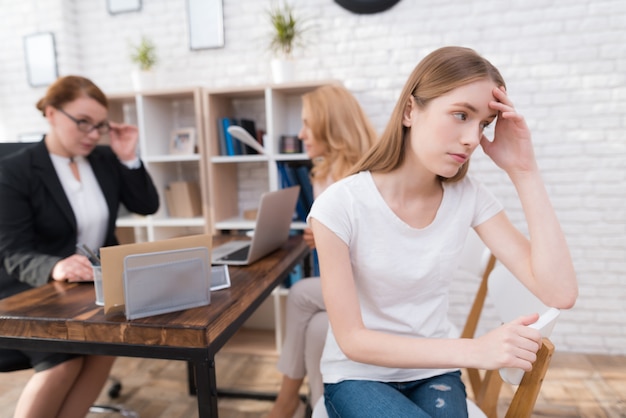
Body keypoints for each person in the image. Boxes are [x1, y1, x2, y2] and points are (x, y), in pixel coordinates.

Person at [308, 46, 578, 417]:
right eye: (461, 115)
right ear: (409, 111)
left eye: (482, 124)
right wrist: (474, 350)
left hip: (434, 372)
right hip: (358, 376)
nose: (472, 138)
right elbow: (353, 341)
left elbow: (560, 292)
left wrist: (524, 170)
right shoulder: (339, 205)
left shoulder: (468, 198)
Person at [0, 75, 159, 418]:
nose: (92, 134)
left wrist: (128, 157)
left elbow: (147, 205)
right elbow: (12, 251)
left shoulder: (103, 161)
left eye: (99, 126)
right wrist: (55, 266)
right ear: (52, 113)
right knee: (63, 363)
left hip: (89, 289)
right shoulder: (17, 171)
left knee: (106, 346)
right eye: (83, 123)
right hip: (33, 290)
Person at [267, 85, 377, 418]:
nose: (300, 135)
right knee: (316, 328)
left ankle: (286, 401)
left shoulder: (366, 176)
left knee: (300, 294)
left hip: (372, 289)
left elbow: (382, 247)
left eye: (307, 124)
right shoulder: (324, 172)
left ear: (332, 123)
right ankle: (320, 405)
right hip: (349, 285)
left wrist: (333, 239)